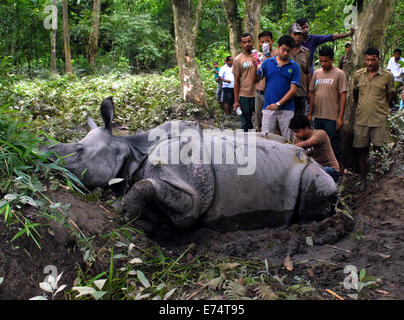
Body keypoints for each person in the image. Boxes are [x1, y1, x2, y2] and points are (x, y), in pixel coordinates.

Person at [352, 47, 395, 189]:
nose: (370, 63)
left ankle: (377, 181)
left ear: (379, 59)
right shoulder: (358, 75)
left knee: (378, 151)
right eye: (368, 59)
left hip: (378, 120)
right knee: (361, 151)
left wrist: (382, 109)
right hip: (361, 119)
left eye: (373, 59)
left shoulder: (387, 76)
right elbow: (355, 94)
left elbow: (390, 96)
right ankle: (363, 180)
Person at [308, 46, 347, 164]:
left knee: (333, 143)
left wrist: (340, 117)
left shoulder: (339, 74)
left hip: (332, 117)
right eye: (321, 61)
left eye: (325, 61)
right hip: (318, 116)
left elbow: (343, 95)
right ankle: (322, 167)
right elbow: (312, 93)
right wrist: (310, 113)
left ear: (332, 60)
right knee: (319, 143)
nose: (323, 64)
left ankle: (337, 168)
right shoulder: (317, 73)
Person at [258, 35, 300, 141]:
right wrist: (257, 65)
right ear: (278, 47)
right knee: (266, 139)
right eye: (283, 50)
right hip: (268, 107)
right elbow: (256, 79)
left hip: (287, 109)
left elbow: (293, 89)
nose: (285, 53)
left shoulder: (294, 67)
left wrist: (278, 104)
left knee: (288, 139)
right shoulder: (267, 63)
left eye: (288, 51)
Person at [289, 115, 340, 183]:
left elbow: (307, 143)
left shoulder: (320, 134)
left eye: (297, 131)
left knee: (312, 173)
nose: (295, 134)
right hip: (313, 171)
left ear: (306, 128)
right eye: (294, 132)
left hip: (331, 170)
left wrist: (288, 147)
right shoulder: (297, 139)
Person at [233, 33, 259, 132]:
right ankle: (246, 145)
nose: (247, 44)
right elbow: (236, 81)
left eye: (249, 41)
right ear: (241, 44)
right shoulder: (238, 59)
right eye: (244, 42)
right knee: (246, 125)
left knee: (260, 123)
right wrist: (236, 100)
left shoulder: (259, 56)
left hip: (259, 94)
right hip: (244, 95)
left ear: (252, 42)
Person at [255, 31, 276, 132]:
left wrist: (268, 56)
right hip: (260, 92)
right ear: (259, 43)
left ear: (272, 41)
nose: (265, 44)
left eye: (267, 41)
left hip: (272, 94)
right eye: (262, 42)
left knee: (273, 124)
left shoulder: (277, 55)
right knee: (258, 123)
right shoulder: (257, 56)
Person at [289, 23, 311, 116]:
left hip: (301, 93)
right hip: (286, 92)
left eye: (299, 34)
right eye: (295, 34)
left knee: (300, 119)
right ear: (290, 35)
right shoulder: (285, 51)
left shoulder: (306, 52)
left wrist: (309, 91)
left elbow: (307, 73)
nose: (297, 37)